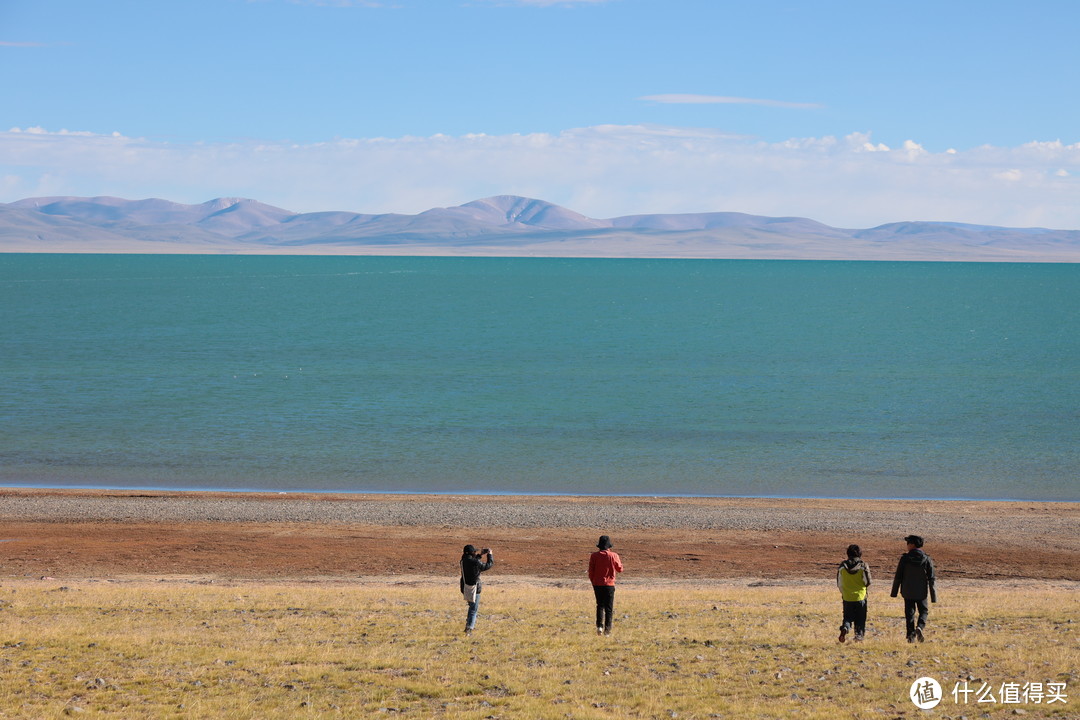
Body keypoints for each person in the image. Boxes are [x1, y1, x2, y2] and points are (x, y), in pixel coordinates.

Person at [890, 534, 937, 642]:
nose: (907, 545)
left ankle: (911, 637)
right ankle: (920, 627)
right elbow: (932, 578)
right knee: (924, 611)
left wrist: (894, 592)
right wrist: (934, 597)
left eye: (908, 543)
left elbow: (898, 576)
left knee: (909, 614)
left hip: (907, 591)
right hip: (921, 592)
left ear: (912, 545)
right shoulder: (926, 559)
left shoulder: (905, 558)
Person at [588, 535, 623, 636]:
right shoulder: (614, 555)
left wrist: (593, 581)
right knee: (609, 608)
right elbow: (620, 569)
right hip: (609, 584)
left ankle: (599, 626)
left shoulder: (594, 556)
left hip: (597, 584)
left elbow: (591, 571)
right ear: (609, 546)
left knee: (600, 605)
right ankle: (607, 631)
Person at [836, 543, 872, 643]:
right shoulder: (863, 565)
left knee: (847, 617)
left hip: (847, 597)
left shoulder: (842, 566)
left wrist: (844, 592)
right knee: (860, 618)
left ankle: (845, 628)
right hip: (860, 597)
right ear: (860, 554)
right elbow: (868, 581)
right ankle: (859, 636)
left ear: (848, 554)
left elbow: (839, 582)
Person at [460, 545, 493, 635]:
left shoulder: (463, 561)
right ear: (471, 553)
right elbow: (487, 566)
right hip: (474, 589)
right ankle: (469, 628)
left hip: (465, 588)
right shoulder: (474, 562)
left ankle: (468, 625)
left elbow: (473, 561)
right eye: (474, 552)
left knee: (471, 607)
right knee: (473, 609)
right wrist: (490, 555)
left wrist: (480, 555)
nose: (475, 553)